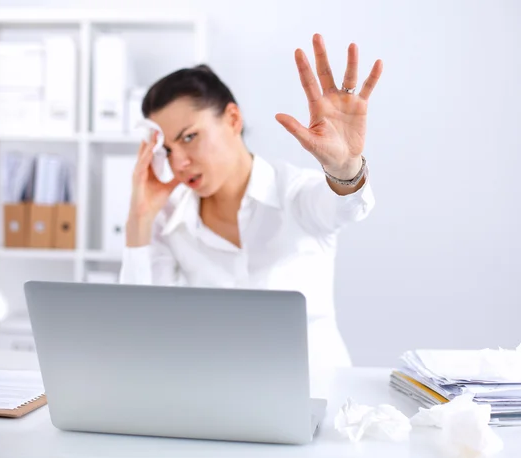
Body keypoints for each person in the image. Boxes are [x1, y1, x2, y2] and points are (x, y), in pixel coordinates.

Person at [119, 33, 383, 369]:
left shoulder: (295, 192)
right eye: (168, 149)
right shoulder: (170, 218)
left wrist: (345, 168)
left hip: (319, 387)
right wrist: (139, 218)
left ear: (232, 119)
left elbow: (345, 203)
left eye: (189, 137)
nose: (179, 162)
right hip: (223, 395)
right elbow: (139, 328)